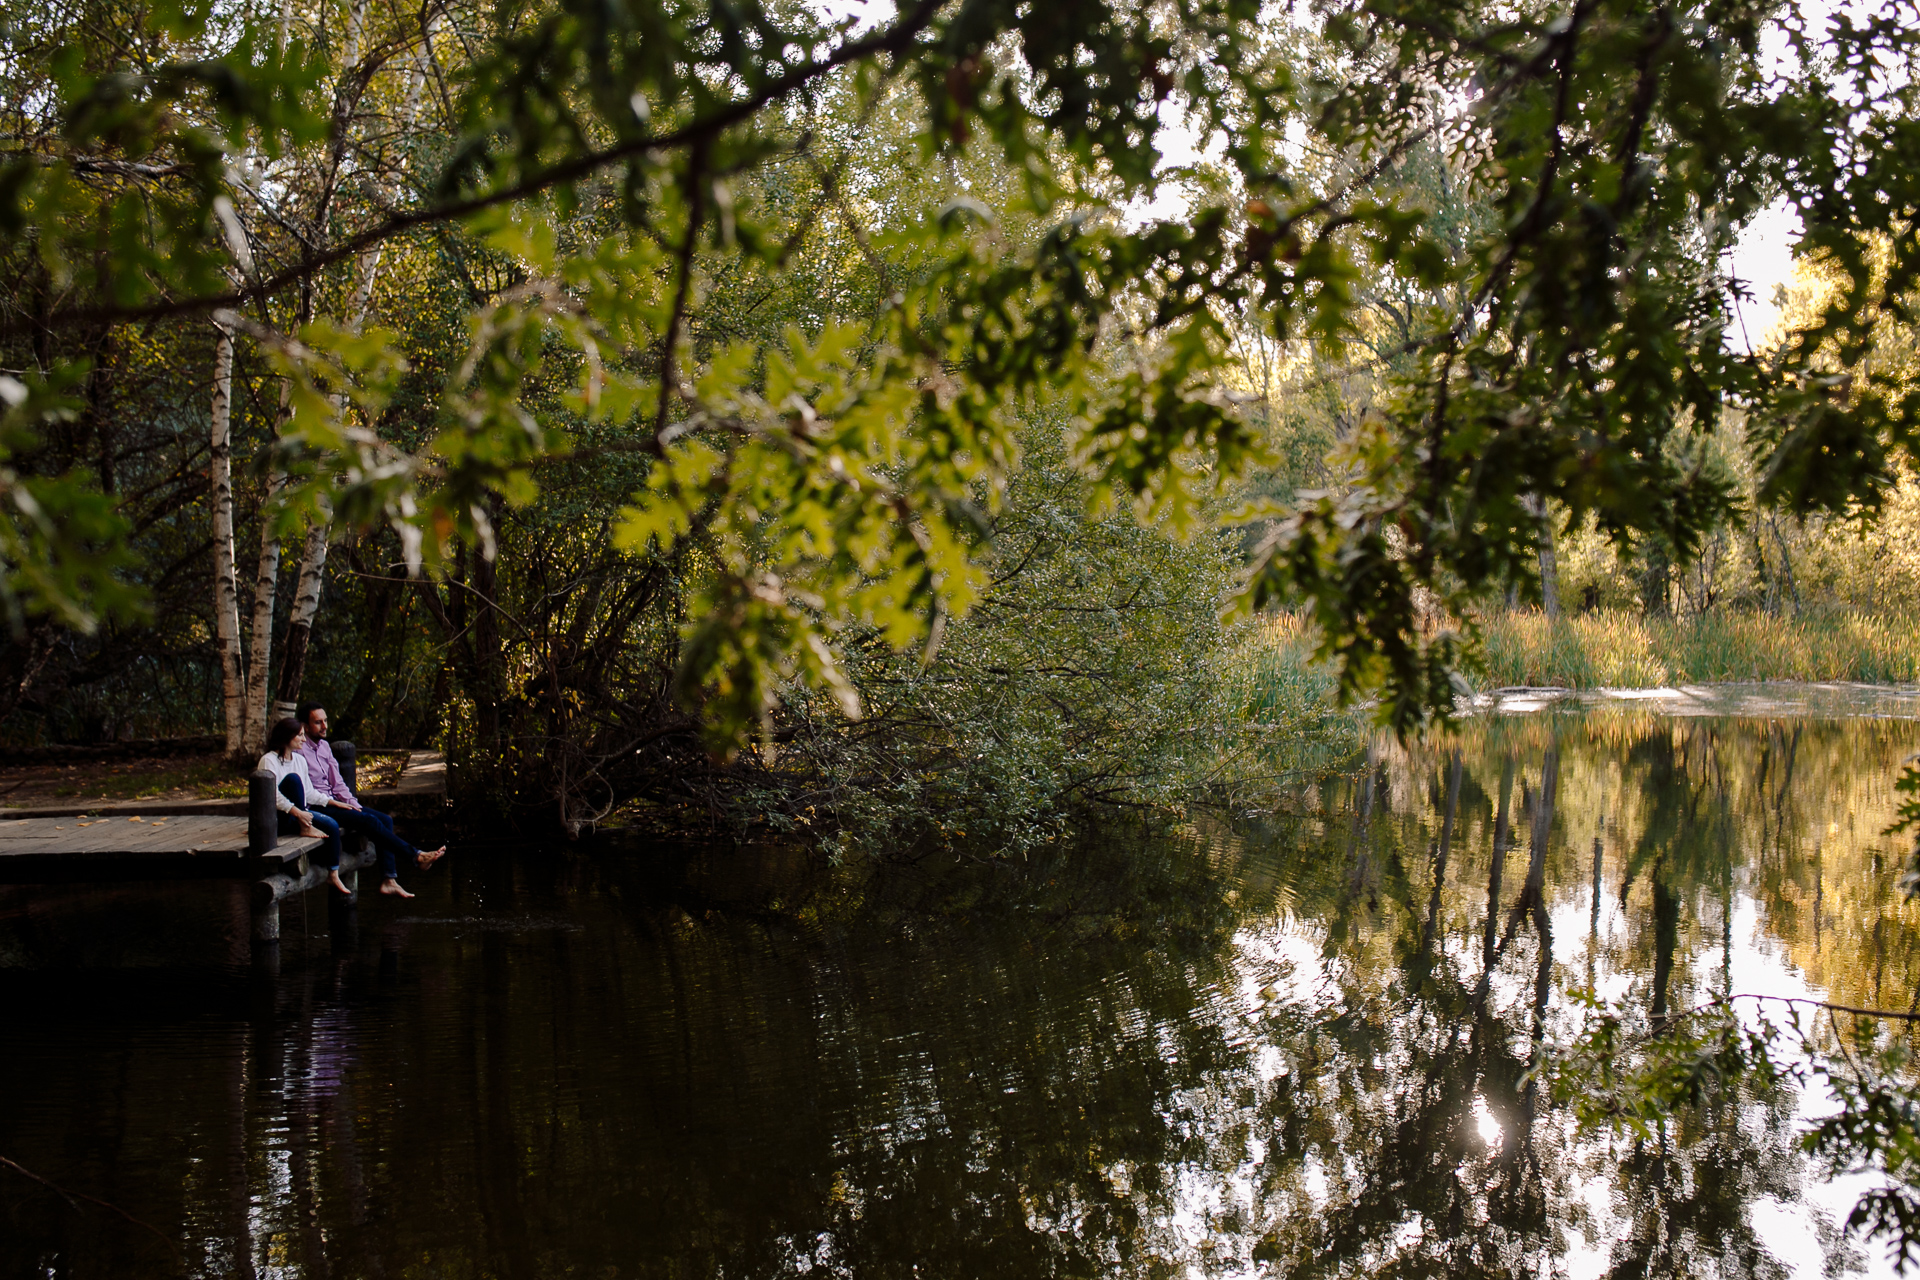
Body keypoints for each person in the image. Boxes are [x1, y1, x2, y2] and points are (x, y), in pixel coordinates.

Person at [293, 703, 445, 899]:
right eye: (318, 722)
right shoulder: (299, 750)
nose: (324, 726)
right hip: (318, 807)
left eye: (325, 721)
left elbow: (338, 783)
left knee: (385, 820)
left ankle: (389, 880)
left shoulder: (325, 747)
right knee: (369, 821)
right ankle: (416, 856)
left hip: (337, 803)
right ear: (305, 726)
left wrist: (354, 805)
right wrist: (339, 805)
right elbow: (305, 791)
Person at [258, 716, 352, 899]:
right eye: (300, 735)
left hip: (299, 814)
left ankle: (333, 873)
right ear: (287, 737)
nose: (303, 739)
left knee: (332, 825)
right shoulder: (268, 760)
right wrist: (298, 813)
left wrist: (332, 802)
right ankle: (304, 827)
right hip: (281, 818)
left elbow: (308, 792)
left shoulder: (299, 761)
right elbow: (272, 796)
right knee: (292, 780)